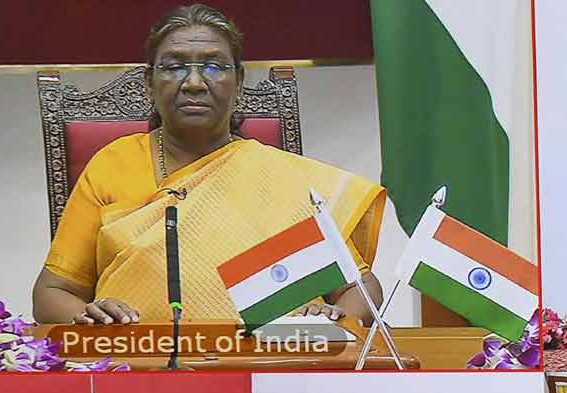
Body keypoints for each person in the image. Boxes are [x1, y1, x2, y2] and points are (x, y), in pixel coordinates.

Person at [33, 4, 384, 325]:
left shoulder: (282, 177)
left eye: (214, 66)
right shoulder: (113, 164)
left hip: (273, 368)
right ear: (148, 85)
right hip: (136, 368)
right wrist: (89, 315)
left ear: (239, 84)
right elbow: (51, 294)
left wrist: (332, 318)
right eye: (174, 67)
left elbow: (361, 288)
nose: (195, 83)